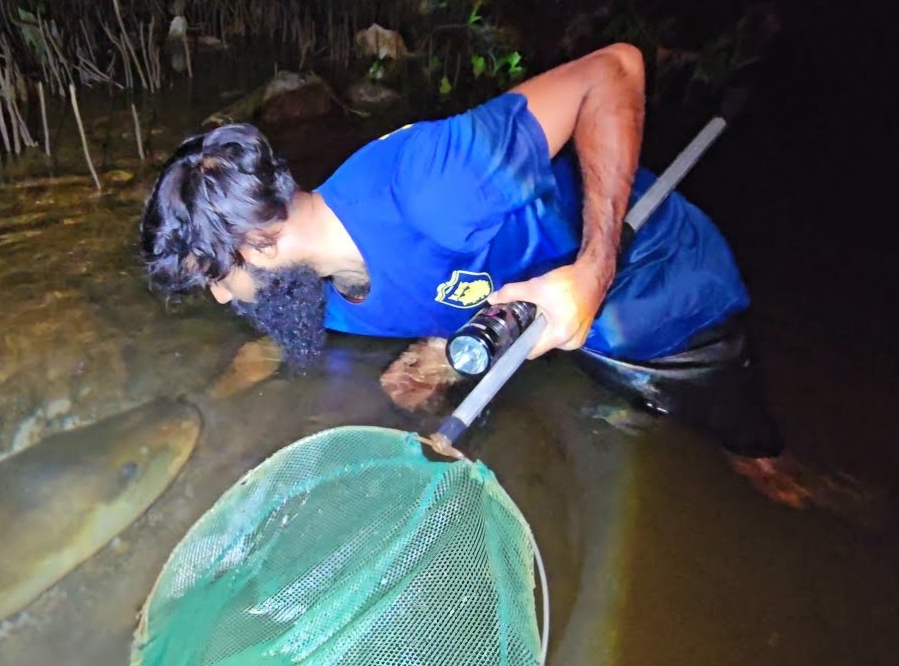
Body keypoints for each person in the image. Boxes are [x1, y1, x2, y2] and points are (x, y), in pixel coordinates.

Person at [138, 42, 846, 512]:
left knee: (764, 472)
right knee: (638, 427)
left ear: (258, 245)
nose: (220, 297)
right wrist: (445, 350)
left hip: (663, 287)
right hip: (566, 323)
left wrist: (594, 272)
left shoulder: (434, 184)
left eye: (213, 276)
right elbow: (429, 284)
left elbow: (616, 70)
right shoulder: (315, 285)